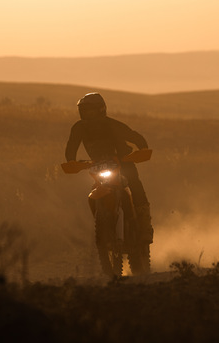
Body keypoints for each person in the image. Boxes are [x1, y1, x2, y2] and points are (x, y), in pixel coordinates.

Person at [65, 92, 154, 244]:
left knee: (134, 183)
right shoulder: (79, 128)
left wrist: (143, 149)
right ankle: (104, 222)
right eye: (84, 110)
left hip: (123, 161)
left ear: (101, 109)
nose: (87, 113)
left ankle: (145, 226)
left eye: (90, 110)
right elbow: (71, 148)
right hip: (98, 164)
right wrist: (72, 162)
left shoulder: (112, 124)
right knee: (96, 186)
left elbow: (135, 137)